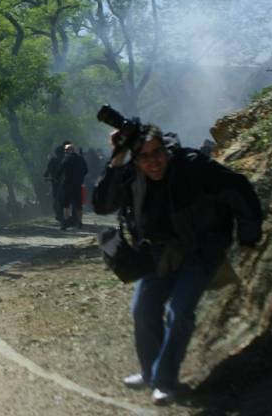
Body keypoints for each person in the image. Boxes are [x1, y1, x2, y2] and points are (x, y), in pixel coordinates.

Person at [92, 124, 263, 405]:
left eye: (157, 153)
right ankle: (150, 373)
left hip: (199, 253)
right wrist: (116, 158)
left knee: (179, 312)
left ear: (166, 150)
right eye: (144, 157)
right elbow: (102, 204)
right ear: (135, 159)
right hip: (155, 255)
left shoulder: (193, 166)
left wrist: (248, 236)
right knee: (143, 310)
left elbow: (238, 188)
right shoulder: (130, 175)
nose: (153, 162)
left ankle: (165, 380)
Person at [57, 143, 88, 229]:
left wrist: (57, 178)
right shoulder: (81, 159)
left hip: (67, 184)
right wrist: (80, 177)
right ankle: (79, 222)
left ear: (70, 150)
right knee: (78, 204)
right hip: (78, 184)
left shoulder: (66, 159)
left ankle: (66, 222)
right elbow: (86, 170)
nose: (65, 152)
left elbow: (60, 171)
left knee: (65, 204)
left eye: (66, 150)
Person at [44, 141, 69, 225]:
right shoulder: (66, 159)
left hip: (56, 183)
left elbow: (47, 172)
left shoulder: (53, 160)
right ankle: (62, 215)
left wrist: (47, 177)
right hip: (61, 183)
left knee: (56, 199)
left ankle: (59, 215)